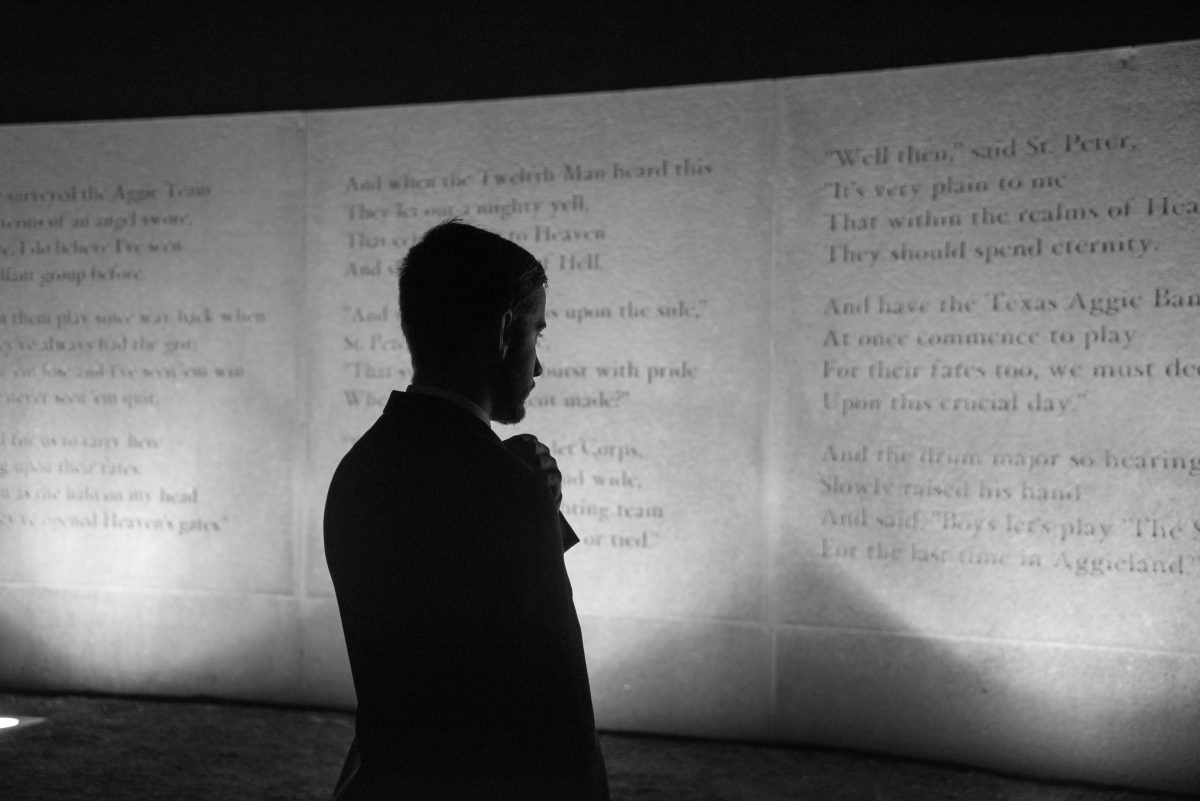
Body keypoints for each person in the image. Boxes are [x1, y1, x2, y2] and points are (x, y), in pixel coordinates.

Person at [323, 220, 609, 799]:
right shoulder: (506, 489)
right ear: (505, 330)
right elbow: (555, 700)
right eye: (538, 332)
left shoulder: (360, 469)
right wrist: (529, 504)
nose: (539, 365)